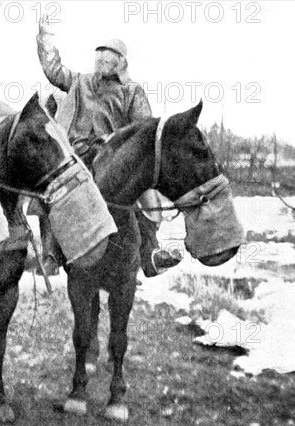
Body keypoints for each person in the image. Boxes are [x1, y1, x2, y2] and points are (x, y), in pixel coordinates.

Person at [35, 15, 181, 277]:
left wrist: (116, 140)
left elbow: (143, 128)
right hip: (75, 152)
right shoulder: (79, 81)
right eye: (98, 59)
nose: (100, 63)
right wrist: (45, 36)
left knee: (138, 188)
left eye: (106, 60)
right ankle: (51, 255)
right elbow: (53, 70)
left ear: (120, 63)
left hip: (112, 154)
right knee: (51, 188)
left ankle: (150, 254)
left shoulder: (132, 91)